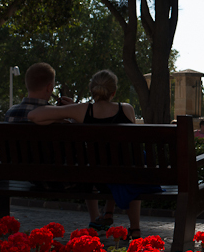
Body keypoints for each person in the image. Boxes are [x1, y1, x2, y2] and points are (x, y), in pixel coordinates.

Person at [29, 69, 163, 240]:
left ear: (92, 90)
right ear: (113, 92)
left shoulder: (82, 110)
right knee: (131, 163)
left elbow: (34, 116)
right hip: (127, 177)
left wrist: (69, 110)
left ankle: (106, 214)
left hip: (95, 181)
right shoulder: (127, 109)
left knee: (112, 165)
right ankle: (134, 229)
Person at [4, 63, 116, 231]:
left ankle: (96, 217)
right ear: (50, 87)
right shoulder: (58, 118)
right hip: (62, 180)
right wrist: (72, 111)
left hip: (29, 177)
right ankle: (97, 217)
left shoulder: (10, 114)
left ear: (27, 84)